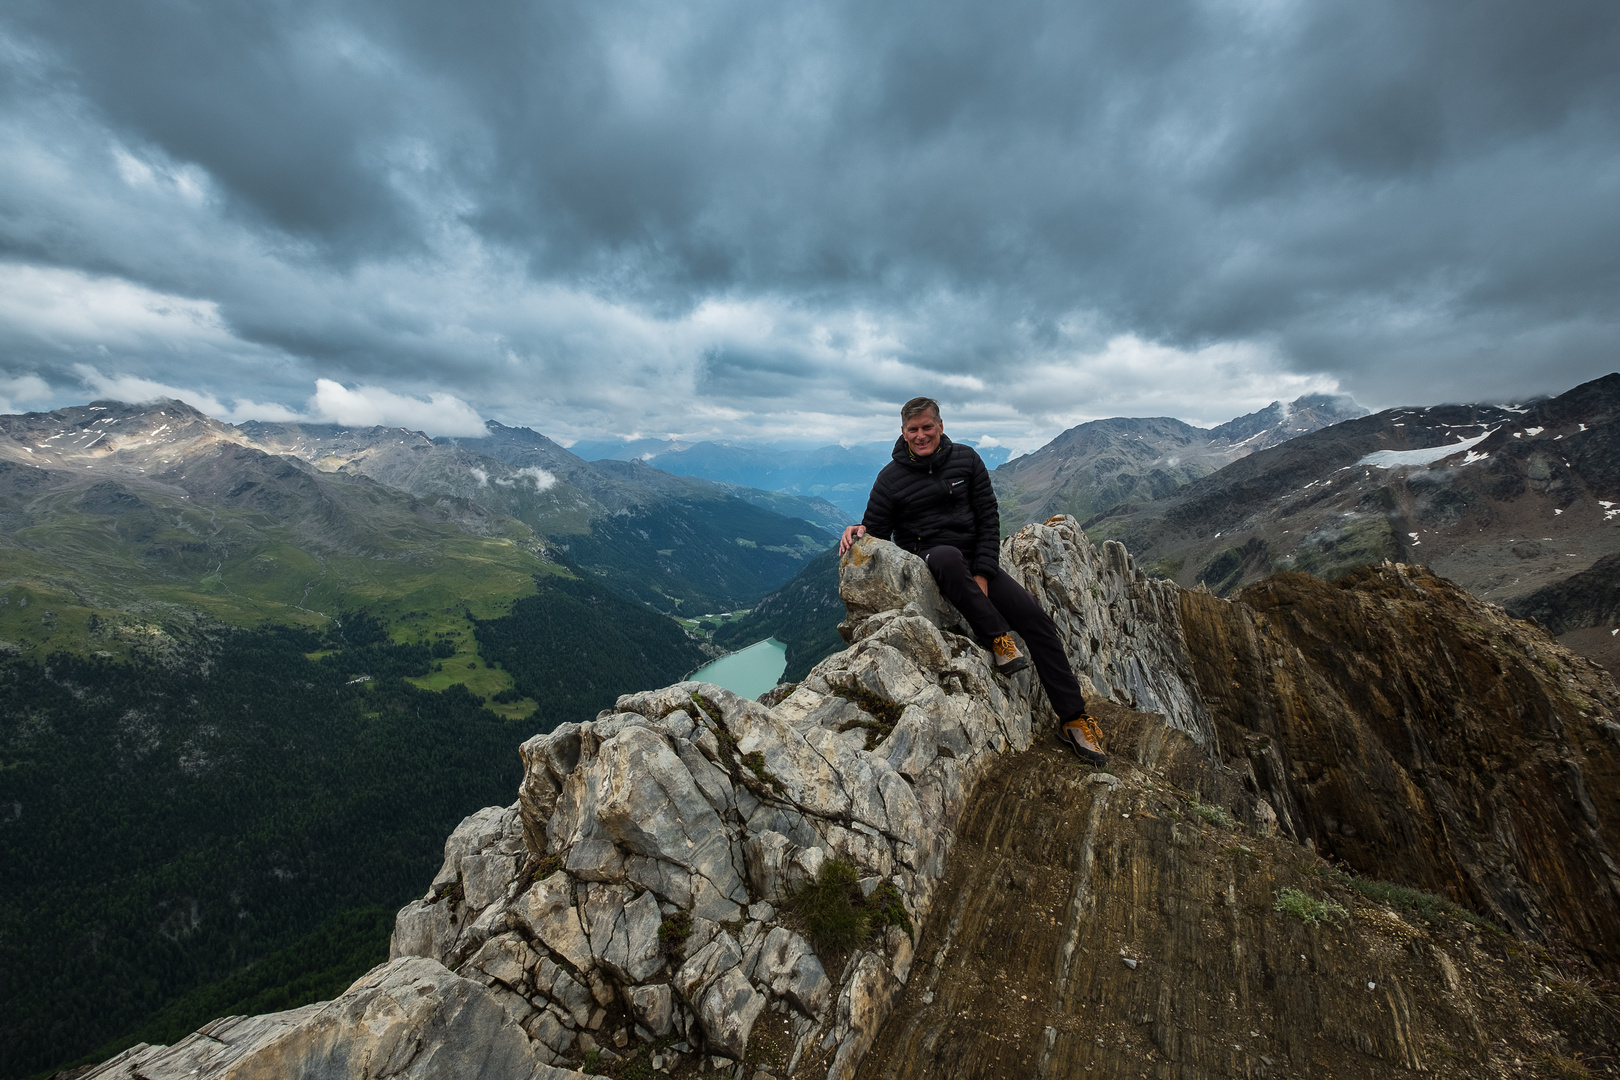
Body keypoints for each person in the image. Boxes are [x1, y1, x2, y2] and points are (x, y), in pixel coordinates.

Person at [839, 396, 1106, 765]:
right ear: (902, 433)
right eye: (913, 430)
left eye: (927, 427)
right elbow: (879, 534)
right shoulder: (890, 479)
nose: (921, 435)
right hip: (930, 560)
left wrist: (983, 571)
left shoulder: (967, 460)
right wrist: (860, 530)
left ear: (940, 426)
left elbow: (987, 516)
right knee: (946, 556)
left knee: (1038, 621)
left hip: (975, 561)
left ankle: (1073, 718)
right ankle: (998, 638)